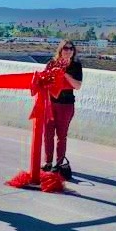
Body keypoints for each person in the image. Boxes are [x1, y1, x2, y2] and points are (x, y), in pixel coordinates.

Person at [43, 39, 83, 172]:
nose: (69, 51)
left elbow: (77, 86)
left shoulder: (76, 65)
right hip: (51, 104)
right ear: (60, 50)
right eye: (66, 48)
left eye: (71, 48)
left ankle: (59, 164)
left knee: (61, 135)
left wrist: (64, 73)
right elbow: (44, 81)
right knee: (48, 133)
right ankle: (48, 162)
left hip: (66, 105)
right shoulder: (51, 63)